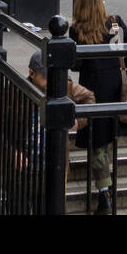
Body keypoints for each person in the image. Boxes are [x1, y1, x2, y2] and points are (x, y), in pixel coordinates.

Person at [68, 0, 127, 215]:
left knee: (97, 145)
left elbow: (75, 65)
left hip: (92, 92)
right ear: (101, 3)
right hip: (116, 88)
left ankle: (104, 195)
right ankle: (108, 187)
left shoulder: (77, 30)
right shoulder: (115, 24)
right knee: (108, 139)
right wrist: (122, 72)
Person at [26, 50, 95, 183]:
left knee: (56, 196)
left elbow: (89, 97)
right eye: (45, 77)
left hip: (56, 157)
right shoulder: (20, 88)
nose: (50, 82)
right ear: (31, 73)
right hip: (30, 158)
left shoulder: (66, 85)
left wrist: (77, 120)